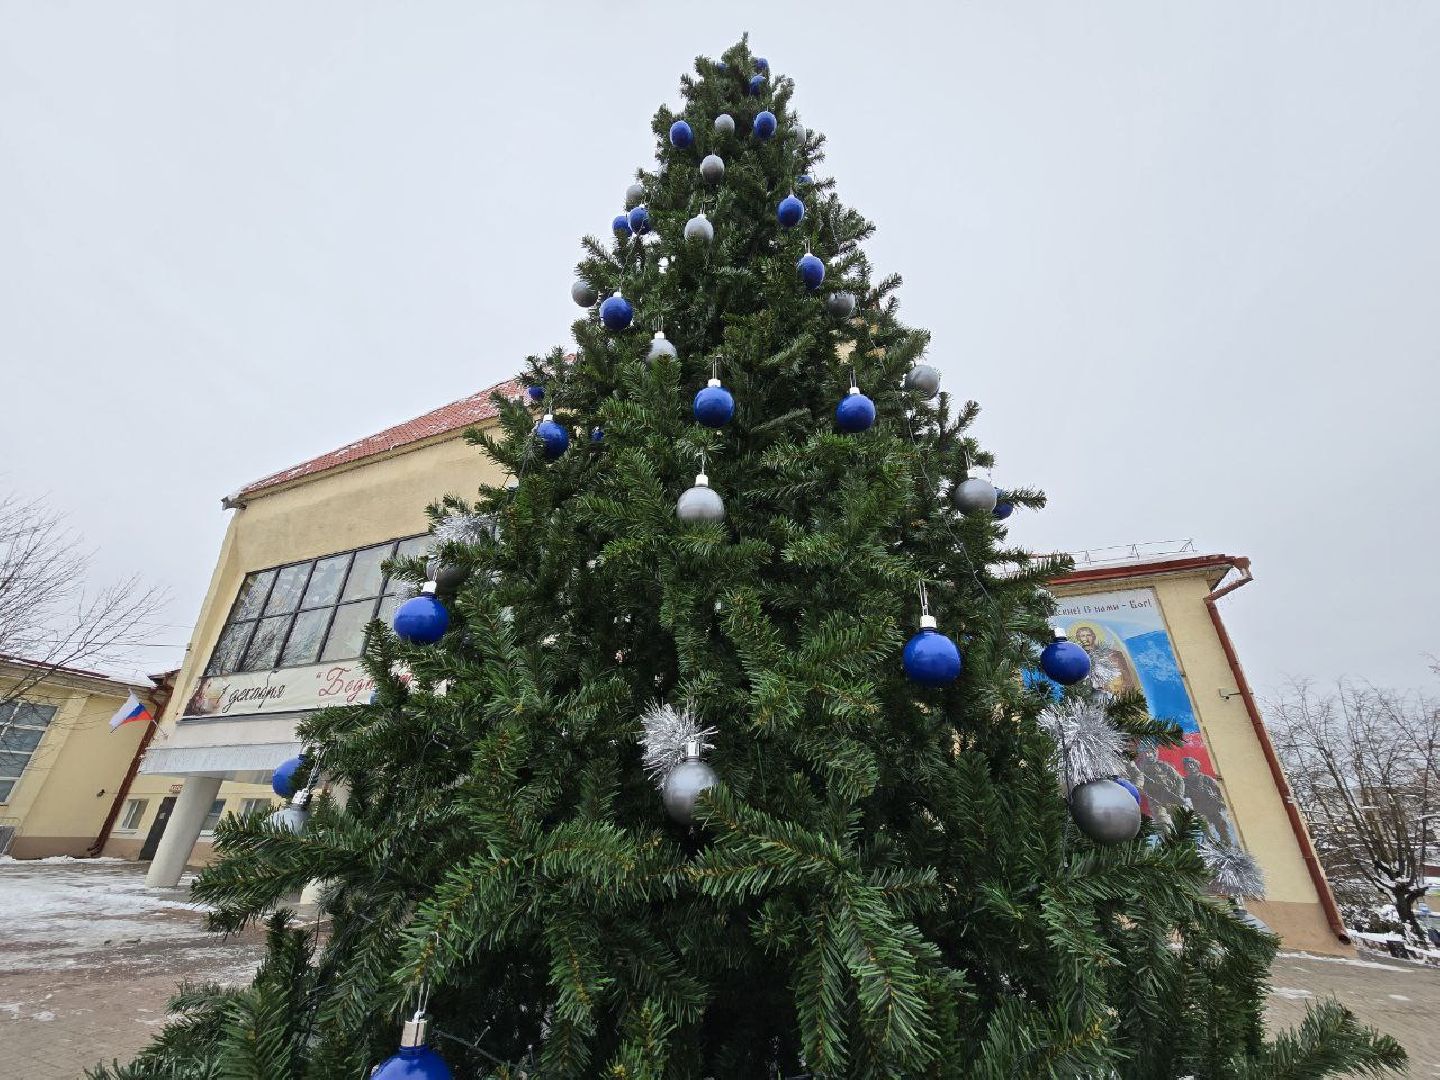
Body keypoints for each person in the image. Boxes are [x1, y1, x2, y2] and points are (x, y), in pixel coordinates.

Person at [1181, 756, 1238, 847]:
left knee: (1223, 827)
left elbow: (1221, 792)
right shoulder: (1185, 782)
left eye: (1192, 764)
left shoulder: (1207, 779)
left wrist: (1219, 801)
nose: (1190, 766)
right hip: (1200, 810)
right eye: (1188, 765)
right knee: (1206, 829)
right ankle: (1214, 848)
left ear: (1196, 766)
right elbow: (1182, 795)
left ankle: (1229, 847)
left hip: (1213, 808)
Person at [1071, 623, 1140, 696]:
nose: (1086, 638)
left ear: (1094, 636)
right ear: (1078, 638)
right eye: (1082, 636)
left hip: (1111, 692)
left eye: (1088, 635)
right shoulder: (1076, 658)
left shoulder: (1112, 654)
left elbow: (1123, 676)